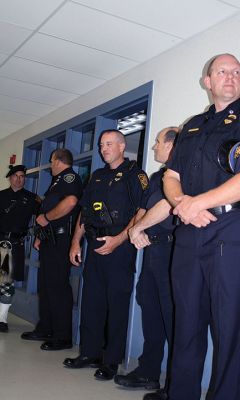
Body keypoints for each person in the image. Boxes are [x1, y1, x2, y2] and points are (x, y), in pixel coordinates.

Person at [163, 54, 240, 400]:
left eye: (237, 71)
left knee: (230, 332)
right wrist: (183, 205)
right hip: (190, 234)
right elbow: (171, 177)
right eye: (222, 71)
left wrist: (198, 202)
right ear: (207, 81)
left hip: (232, 232)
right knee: (186, 328)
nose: (231, 76)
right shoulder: (192, 125)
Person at [63, 129, 149, 381]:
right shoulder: (96, 176)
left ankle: (111, 361)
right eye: (101, 145)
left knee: (117, 305)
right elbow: (84, 212)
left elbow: (141, 212)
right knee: (92, 302)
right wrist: (75, 243)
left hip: (120, 247)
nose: (104, 149)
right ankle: (89, 353)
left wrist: (119, 240)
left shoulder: (135, 175)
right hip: (94, 244)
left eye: (109, 144)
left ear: (122, 146)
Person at [114, 127, 179, 400]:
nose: (153, 147)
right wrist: (133, 231)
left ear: (172, 145)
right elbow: (142, 209)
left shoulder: (181, 173)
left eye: (157, 142)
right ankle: (148, 372)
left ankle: (175, 384)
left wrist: (138, 229)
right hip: (151, 250)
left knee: (173, 317)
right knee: (150, 311)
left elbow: (165, 204)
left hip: (171, 250)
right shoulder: (156, 176)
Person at [21, 149, 83, 350]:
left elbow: (71, 202)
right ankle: (45, 328)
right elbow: (49, 208)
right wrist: (40, 235)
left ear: (58, 161)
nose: (50, 165)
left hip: (61, 240)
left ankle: (62, 336)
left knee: (57, 288)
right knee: (45, 287)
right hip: (50, 240)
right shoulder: (57, 181)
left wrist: (46, 218)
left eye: (51, 161)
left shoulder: (69, 177)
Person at [0, 165, 40, 332]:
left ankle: (1, 319)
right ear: (10, 178)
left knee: (6, 283)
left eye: (22, 176)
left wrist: (38, 236)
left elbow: (42, 219)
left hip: (14, 245)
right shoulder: (1, 196)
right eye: (16, 176)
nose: (19, 179)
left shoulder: (32, 199)